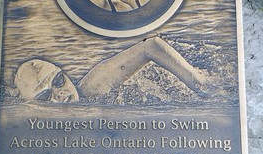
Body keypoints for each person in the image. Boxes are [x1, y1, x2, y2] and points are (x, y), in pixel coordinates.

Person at [15, 37, 209, 103]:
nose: (60, 94)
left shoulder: (93, 87)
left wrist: (198, 82)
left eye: (58, 81)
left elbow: (150, 46)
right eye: (44, 96)